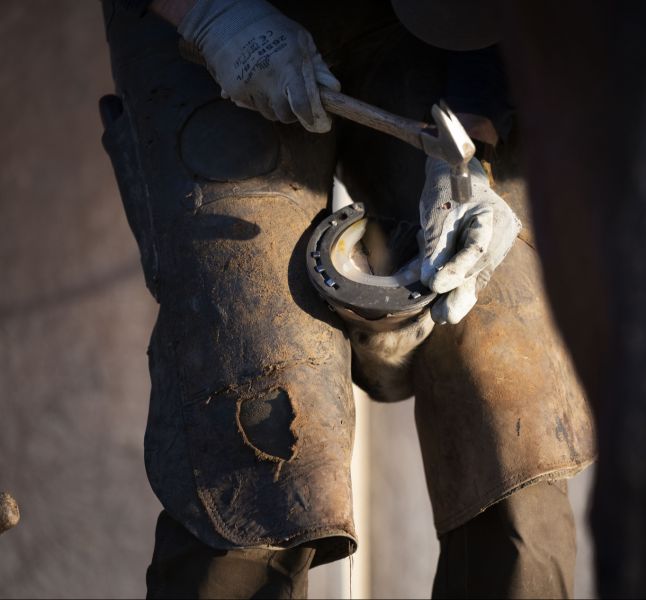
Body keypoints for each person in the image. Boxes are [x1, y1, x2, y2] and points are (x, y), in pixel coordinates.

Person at [100, 0, 595, 597]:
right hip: (214, 20)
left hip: (416, 29)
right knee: (263, 406)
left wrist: (476, 136)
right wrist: (210, 15)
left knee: (512, 394)